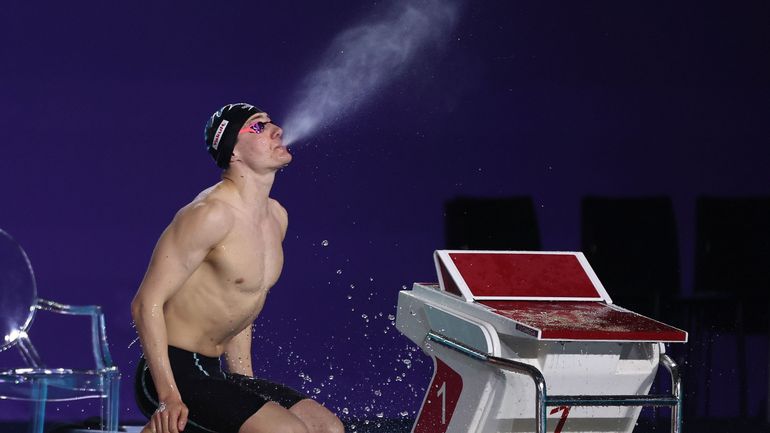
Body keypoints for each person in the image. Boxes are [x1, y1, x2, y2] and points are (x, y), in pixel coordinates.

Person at [131, 103, 344, 433]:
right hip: (173, 372)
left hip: (214, 372)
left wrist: (243, 386)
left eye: (271, 122)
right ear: (233, 153)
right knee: (288, 432)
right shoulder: (210, 214)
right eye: (257, 127)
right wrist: (168, 397)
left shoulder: (276, 218)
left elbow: (241, 302)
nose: (277, 130)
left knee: (327, 428)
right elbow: (146, 304)